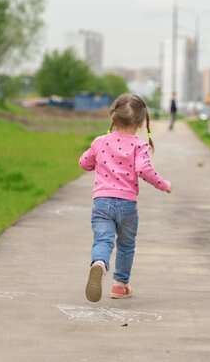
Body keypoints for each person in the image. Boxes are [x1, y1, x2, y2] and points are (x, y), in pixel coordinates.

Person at [78, 94, 172, 302]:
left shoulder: (100, 142)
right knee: (126, 245)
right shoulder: (139, 146)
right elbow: (143, 169)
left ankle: (99, 264)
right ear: (140, 122)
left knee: (103, 239)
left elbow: (84, 163)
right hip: (127, 205)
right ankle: (120, 285)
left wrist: (97, 162)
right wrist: (163, 184)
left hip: (102, 202)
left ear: (113, 117)